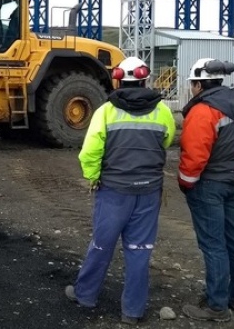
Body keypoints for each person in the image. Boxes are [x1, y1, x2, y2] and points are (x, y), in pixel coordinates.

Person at [66, 56, 176, 325]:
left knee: (102, 245)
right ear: (144, 79)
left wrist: (93, 177)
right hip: (148, 192)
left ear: (118, 79)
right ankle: (132, 312)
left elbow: (90, 152)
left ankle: (85, 296)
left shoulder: (106, 111)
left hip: (114, 191)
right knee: (139, 250)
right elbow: (168, 139)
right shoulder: (162, 111)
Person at [178, 58, 234, 322]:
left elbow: (194, 156)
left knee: (214, 245)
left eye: (192, 84)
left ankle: (217, 306)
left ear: (199, 84)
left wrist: (186, 185)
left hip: (209, 186)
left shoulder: (203, 111)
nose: (191, 89)